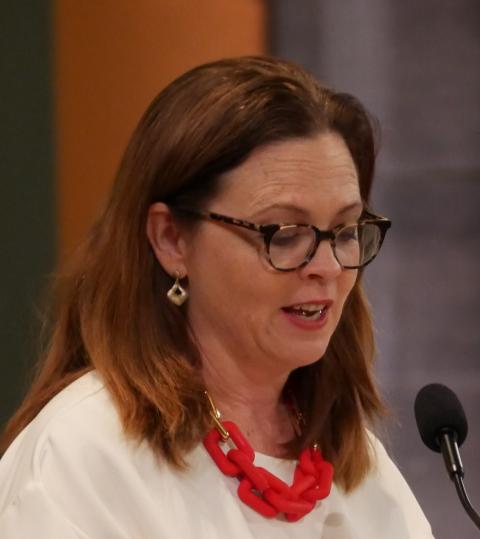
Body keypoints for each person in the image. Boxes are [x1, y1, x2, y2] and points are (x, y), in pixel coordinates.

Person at [0, 56, 433, 538]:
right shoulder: (85, 451)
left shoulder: (357, 461)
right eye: (286, 233)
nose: (328, 267)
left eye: (346, 229)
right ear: (172, 240)